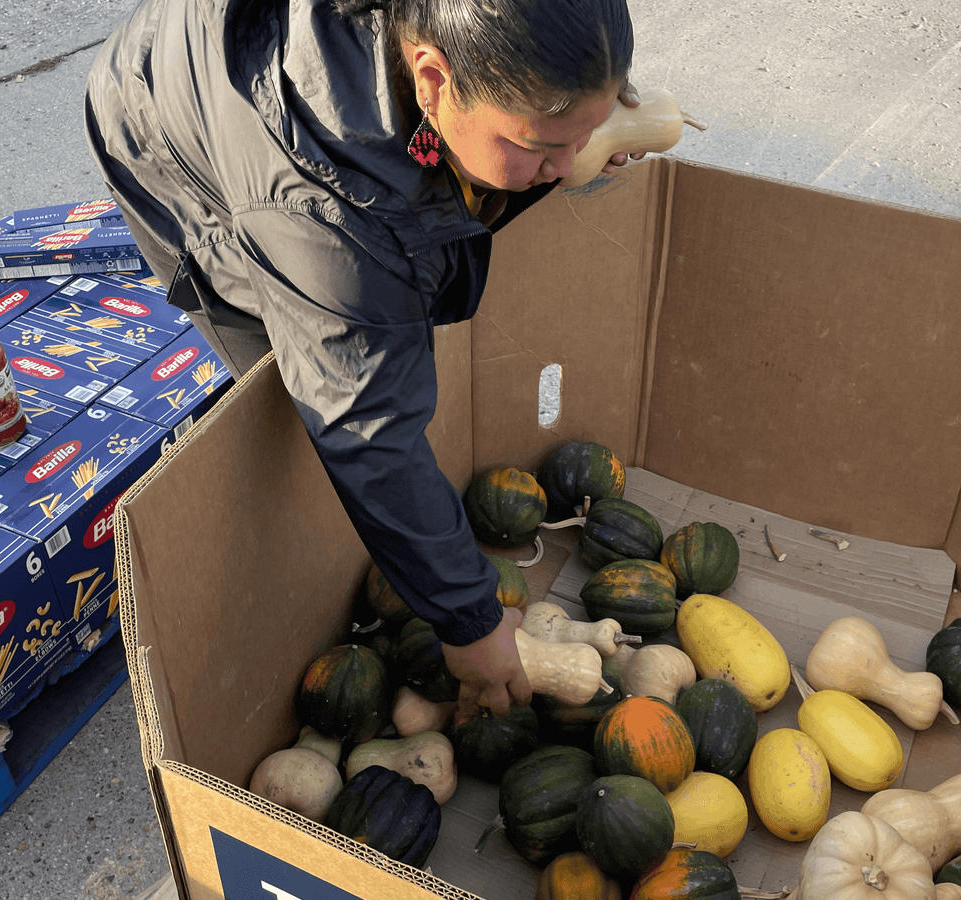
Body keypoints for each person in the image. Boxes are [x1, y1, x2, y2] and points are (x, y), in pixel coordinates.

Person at [84, 0, 639, 717]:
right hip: (163, 119)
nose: (570, 171)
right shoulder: (320, 212)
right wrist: (467, 619)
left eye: (582, 137)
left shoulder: (481, 57)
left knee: (392, 278)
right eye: (540, 145)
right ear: (433, 79)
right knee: (301, 383)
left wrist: (581, 104)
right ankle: (339, 548)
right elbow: (365, 426)